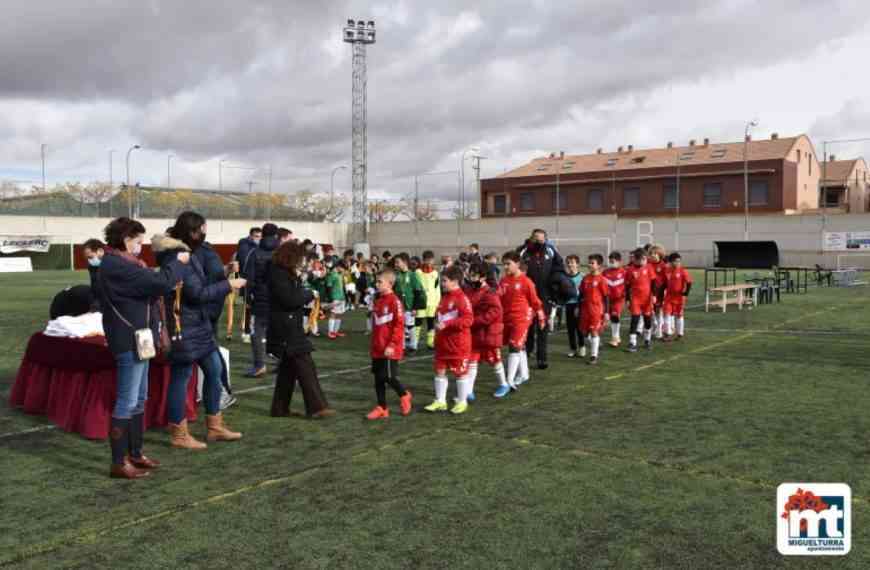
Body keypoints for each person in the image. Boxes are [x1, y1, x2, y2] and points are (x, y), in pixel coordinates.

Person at [98, 217, 190, 478]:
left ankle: (135, 453)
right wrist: (177, 263)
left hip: (140, 338)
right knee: (127, 400)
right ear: (126, 239)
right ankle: (119, 461)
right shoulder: (117, 265)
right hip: (128, 338)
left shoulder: (124, 263)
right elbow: (160, 283)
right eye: (138, 241)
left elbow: (151, 283)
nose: (141, 246)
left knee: (139, 399)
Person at [154, 212, 246, 451]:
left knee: (214, 370)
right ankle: (179, 433)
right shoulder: (178, 256)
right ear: (192, 231)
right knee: (181, 378)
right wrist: (229, 285)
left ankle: (214, 425)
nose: (204, 233)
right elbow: (196, 294)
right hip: (184, 327)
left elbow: (200, 286)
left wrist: (224, 275)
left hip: (199, 325)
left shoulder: (188, 252)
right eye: (201, 229)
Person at [267, 241, 334, 419]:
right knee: (305, 365)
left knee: (288, 371)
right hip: (285, 327)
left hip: (287, 325)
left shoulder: (282, 272)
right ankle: (317, 407)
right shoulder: (278, 273)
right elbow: (289, 299)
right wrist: (309, 294)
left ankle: (279, 409)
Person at [424, 265, 473, 414]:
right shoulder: (444, 298)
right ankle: (440, 401)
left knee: (460, 373)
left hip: (458, 345)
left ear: (455, 281)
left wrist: (447, 324)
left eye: (444, 280)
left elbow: (469, 319)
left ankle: (462, 401)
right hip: (443, 344)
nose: (442, 283)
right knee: (439, 371)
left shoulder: (462, 299)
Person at [366, 268, 413, 420]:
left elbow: (399, 325)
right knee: (378, 379)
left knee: (389, 377)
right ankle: (382, 408)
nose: (376, 284)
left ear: (390, 283)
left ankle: (404, 394)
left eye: (380, 282)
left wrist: (392, 345)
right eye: (376, 281)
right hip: (377, 347)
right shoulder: (377, 300)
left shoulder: (395, 301)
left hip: (389, 348)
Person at [496, 251, 544, 396]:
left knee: (514, 346)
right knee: (518, 346)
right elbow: (498, 298)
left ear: (517, 264)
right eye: (504, 264)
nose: (505, 267)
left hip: (521, 319)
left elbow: (536, 302)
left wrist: (541, 317)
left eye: (508, 264)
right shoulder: (503, 281)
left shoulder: (526, 282)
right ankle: (524, 374)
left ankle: (509, 380)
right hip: (507, 318)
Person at [517, 228, 564, 370]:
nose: (539, 241)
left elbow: (559, 265)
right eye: (536, 238)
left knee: (542, 327)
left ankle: (542, 359)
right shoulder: (523, 251)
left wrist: (555, 282)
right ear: (531, 237)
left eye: (542, 239)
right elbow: (516, 265)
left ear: (546, 239)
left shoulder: (551, 250)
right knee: (528, 326)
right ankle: (528, 351)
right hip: (527, 296)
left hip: (545, 295)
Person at [463, 261, 504, 402]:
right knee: (472, 361)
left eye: (473, 276)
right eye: (470, 275)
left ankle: (503, 384)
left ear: (483, 277)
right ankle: (469, 392)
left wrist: (475, 321)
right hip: (475, 333)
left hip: (488, 334)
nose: (470, 278)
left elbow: (495, 312)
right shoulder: (470, 290)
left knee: (494, 360)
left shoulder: (489, 292)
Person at [246, 223, 280, 377]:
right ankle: (283, 362)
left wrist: (249, 296)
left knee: (257, 332)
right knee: (281, 331)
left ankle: (259, 365)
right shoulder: (281, 252)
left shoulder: (255, 252)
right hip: (278, 296)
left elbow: (249, 278)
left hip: (260, 297)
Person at [579, 254, 610, 365]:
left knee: (593, 331)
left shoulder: (601, 280)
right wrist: (578, 308)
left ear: (599, 265)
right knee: (584, 332)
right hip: (585, 309)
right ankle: (596, 343)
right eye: (589, 262)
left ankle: (593, 356)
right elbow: (581, 294)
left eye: (592, 263)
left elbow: (606, 296)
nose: (589, 265)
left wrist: (606, 312)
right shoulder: (585, 278)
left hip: (596, 310)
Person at [392, 253, 425, 353]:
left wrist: (415, 307)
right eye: (395, 262)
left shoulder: (412, 275)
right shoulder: (396, 275)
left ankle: (413, 346)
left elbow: (418, 292)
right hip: (398, 306)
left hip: (409, 306)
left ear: (405, 262)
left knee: (410, 326)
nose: (396, 264)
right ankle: (402, 346)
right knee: (399, 326)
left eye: (398, 262)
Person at [625, 248, 656, 353]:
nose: (645, 260)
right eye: (643, 259)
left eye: (645, 258)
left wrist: (654, 295)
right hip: (635, 299)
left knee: (647, 320)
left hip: (647, 299)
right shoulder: (630, 270)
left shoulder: (649, 268)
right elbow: (627, 285)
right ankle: (632, 342)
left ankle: (647, 339)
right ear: (636, 259)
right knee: (635, 319)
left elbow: (653, 282)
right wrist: (627, 299)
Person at [236, 227, 262, 343]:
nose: (259, 239)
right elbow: (243, 262)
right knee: (249, 307)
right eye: (257, 236)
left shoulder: (257, 248)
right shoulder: (245, 246)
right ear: (251, 236)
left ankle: (253, 331)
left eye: (260, 237)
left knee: (256, 307)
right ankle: (246, 332)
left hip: (257, 280)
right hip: (248, 280)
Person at [662, 253, 692, 341]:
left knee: (679, 315)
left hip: (679, 297)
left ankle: (680, 333)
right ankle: (668, 333)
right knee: (667, 314)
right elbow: (664, 283)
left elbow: (689, 282)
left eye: (679, 261)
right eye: (676, 261)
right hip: (668, 297)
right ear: (671, 262)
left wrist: (686, 293)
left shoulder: (683, 271)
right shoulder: (667, 270)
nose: (678, 263)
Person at [416, 250, 441, 349]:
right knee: (417, 322)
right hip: (421, 302)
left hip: (432, 303)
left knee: (431, 322)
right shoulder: (418, 272)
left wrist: (438, 303)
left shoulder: (435, 273)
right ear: (424, 260)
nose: (430, 262)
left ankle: (430, 342)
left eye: (431, 260)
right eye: (427, 260)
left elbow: (437, 288)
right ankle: (414, 343)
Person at [602, 251, 627, 347]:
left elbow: (628, 284)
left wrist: (626, 296)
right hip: (607, 299)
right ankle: (616, 336)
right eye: (610, 261)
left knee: (615, 315)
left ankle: (615, 337)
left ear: (619, 261)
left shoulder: (624, 272)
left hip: (619, 299)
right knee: (607, 317)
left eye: (614, 261)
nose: (612, 263)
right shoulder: (605, 272)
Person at [563, 255, 584, 358]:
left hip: (579, 305)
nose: (570, 264)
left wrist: (580, 305)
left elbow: (584, 293)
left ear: (577, 264)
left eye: (572, 262)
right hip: (568, 305)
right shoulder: (565, 277)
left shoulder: (582, 277)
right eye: (568, 262)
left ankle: (582, 346)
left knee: (579, 327)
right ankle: (573, 348)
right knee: (570, 328)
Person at [648, 244, 669, 339]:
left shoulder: (664, 266)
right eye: (651, 253)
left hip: (660, 292)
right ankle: (655, 325)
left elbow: (667, 281)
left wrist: (665, 291)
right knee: (649, 310)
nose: (653, 255)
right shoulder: (647, 265)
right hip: (648, 291)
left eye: (655, 253)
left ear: (660, 254)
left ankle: (659, 331)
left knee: (658, 311)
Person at [325, 261, 347, 339]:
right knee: (333, 314)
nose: (344, 270)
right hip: (335, 297)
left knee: (339, 314)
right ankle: (330, 332)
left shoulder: (340, 274)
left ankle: (335, 331)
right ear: (338, 266)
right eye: (343, 268)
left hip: (342, 297)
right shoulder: (332, 274)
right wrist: (330, 298)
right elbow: (328, 286)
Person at [82, 238, 105, 311]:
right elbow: (94, 285)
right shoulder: (92, 266)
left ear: (100, 251)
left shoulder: (114, 264)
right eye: (87, 257)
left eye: (90, 257)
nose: (89, 260)